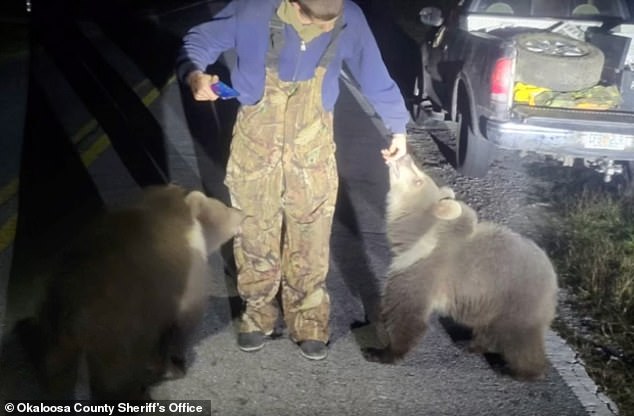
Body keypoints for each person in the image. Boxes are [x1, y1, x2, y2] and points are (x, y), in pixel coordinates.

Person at [176, 0, 410, 361]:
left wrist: (398, 128)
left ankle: (310, 322)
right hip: (256, 139)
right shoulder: (251, 9)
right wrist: (195, 75)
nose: (322, 28)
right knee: (253, 229)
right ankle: (257, 316)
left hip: (313, 141)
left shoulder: (349, 18)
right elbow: (197, 42)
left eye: (329, 22)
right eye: (313, 19)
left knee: (312, 232)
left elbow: (373, 72)